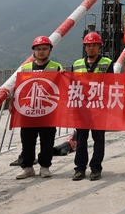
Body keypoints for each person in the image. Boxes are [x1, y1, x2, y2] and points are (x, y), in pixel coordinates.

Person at [15, 36, 64, 179]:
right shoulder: (26, 68)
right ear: (33, 51)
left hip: (48, 112)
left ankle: (45, 166)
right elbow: (20, 90)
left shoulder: (57, 67)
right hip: (29, 111)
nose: (41, 52)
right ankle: (28, 167)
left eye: (44, 49)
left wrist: (63, 76)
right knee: (27, 140)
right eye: (38, 49)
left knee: (47, 140)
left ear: (49, 50)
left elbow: (63, 87)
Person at [71, 32, 114, 181]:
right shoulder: (76, 65)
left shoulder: (107, 63)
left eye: (94, 45)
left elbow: (110, 85)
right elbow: (71, 85)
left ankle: (96, 168)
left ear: (99, 46)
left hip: (99, 109)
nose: (91, 48)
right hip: (82, 110)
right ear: (85, 47)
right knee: (81, 140)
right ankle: (80, 168)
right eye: (88, 45)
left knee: (98, 139)